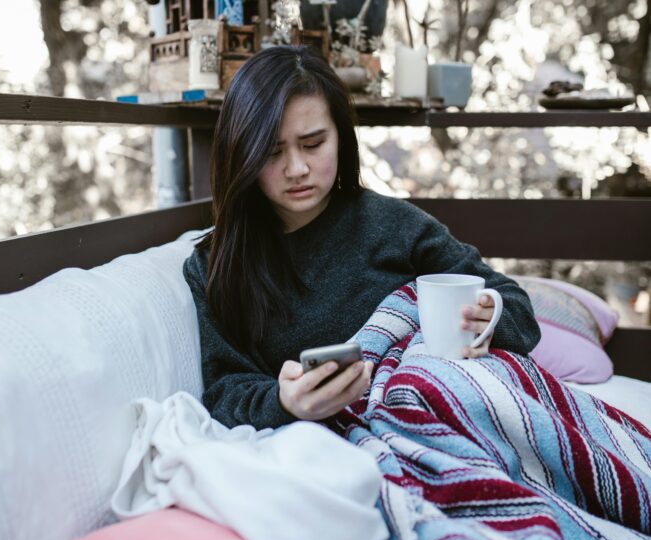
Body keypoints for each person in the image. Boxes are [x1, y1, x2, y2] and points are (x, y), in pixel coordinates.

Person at [183, 46, 540, 431]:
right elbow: (224, 390)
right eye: (272, 152)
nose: (297, 169)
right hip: (328, 446)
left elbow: (517, 309)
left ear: (341, 137)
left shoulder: (395, 225)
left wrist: (486, 321)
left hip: (437, 411)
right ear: (242, 155)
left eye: (314, 144)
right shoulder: (213, 266)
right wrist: (284, 401)